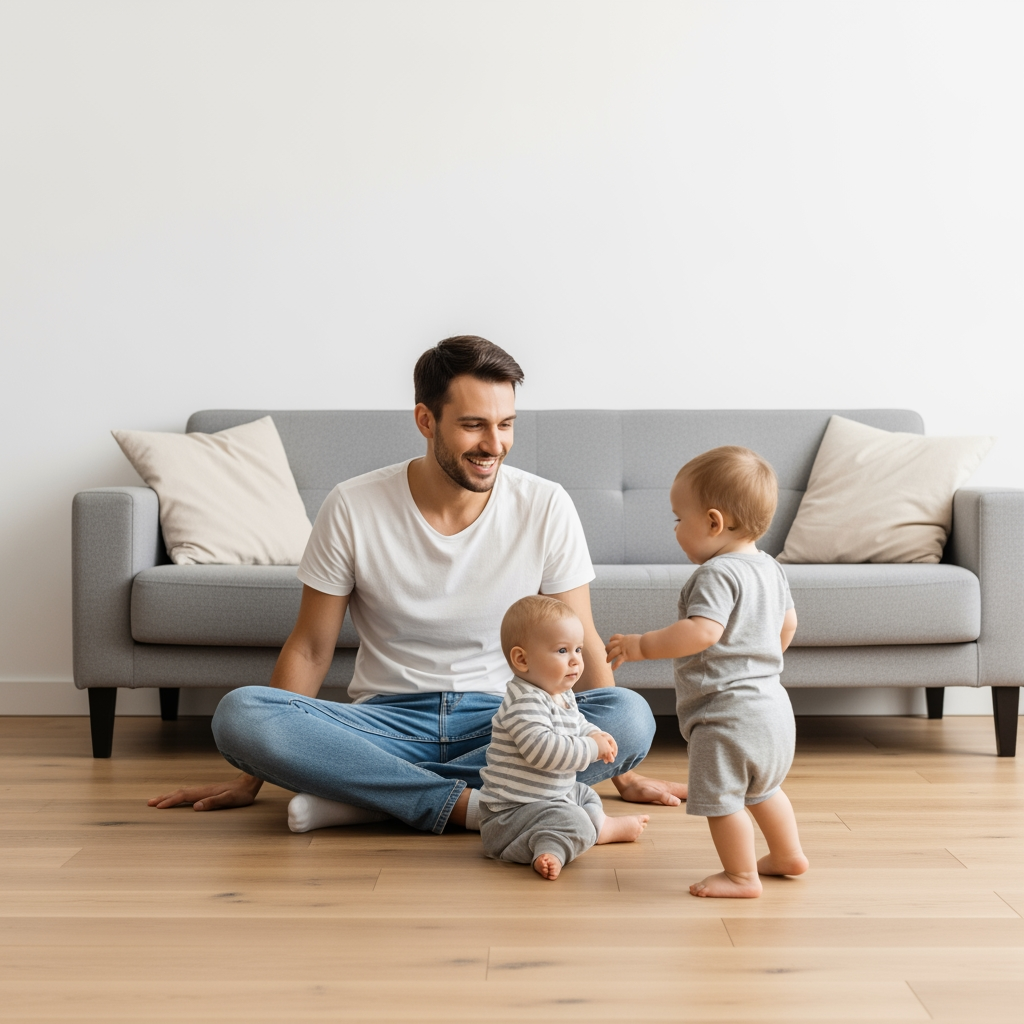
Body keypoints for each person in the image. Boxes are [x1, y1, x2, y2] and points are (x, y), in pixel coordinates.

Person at [150, 336, 687, 832]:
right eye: (474, 425)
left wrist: (623, 769)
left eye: (506, 424)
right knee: (242, 714)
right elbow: (312, 648)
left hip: (511, 721)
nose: (493, 444)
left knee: (631, 716)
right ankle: (469, 804)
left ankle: (365, 795)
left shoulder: (545, 504)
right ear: (426, 420)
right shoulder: (353, 504)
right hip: (385, 722)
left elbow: (583, 639)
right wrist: (251, 777)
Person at [605, 446, 809, 898]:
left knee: (724, 802)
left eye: (679, 519)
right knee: (764, 789)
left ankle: (740, 876)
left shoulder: (717, 573)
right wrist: (759, 663)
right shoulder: (770, 568)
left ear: (714, 523)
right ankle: (787, 853)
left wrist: (641, 645)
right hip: (773, 705)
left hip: (727, 715)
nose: (676, 528)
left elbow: (702, 632)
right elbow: (788, 625)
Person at [479, 596, 650, 879]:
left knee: (585, 794)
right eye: (562, 650)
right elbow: (544, 751)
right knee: (576, 821)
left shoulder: (560, 692)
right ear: (522, 659)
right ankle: (550, 849)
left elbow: (577, 722)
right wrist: (590, 748)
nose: (575, 660)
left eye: (578, 650)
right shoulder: (524, 702)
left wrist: (594, 734)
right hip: (510, 817)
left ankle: (601, 826)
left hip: (549, 798)